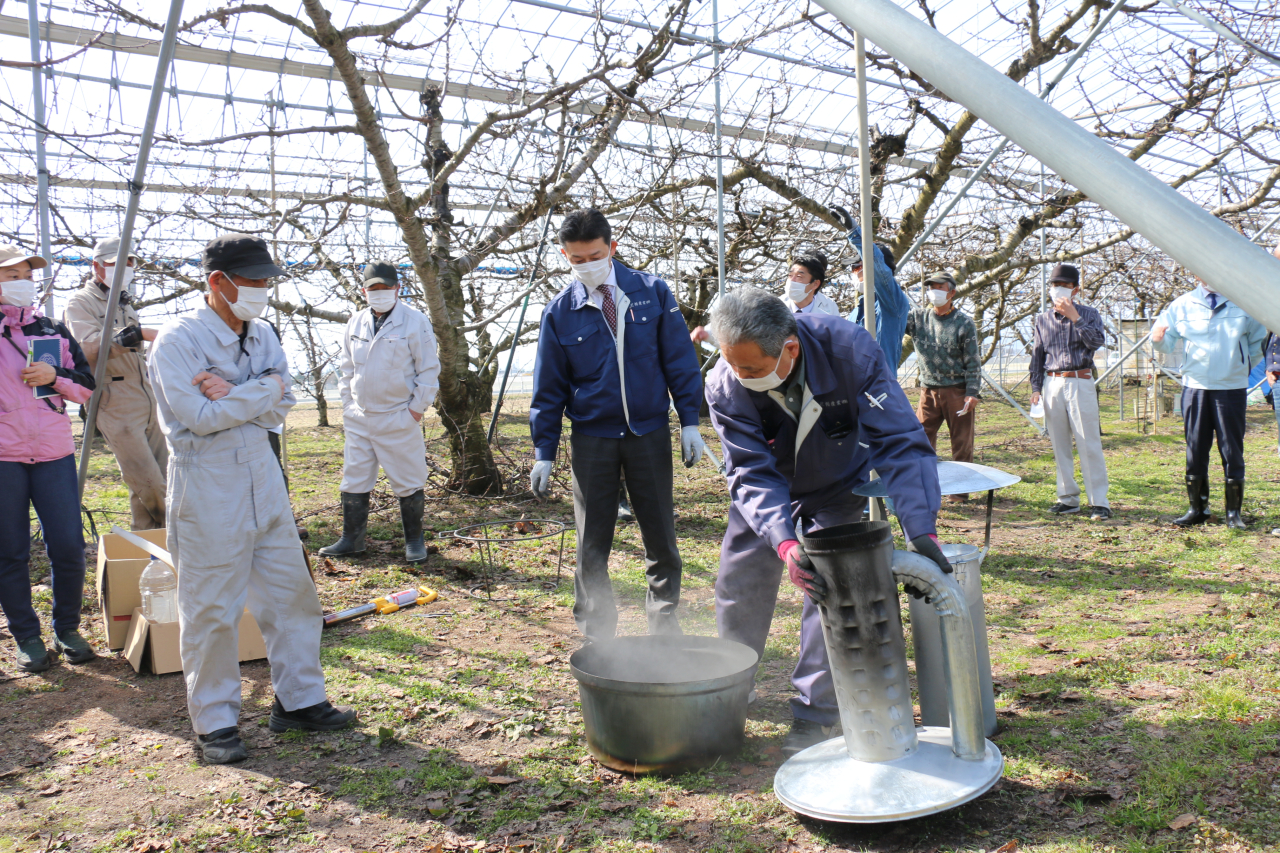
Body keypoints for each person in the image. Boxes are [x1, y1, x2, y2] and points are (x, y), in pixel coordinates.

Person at [703, 288, 947, 756]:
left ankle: (815, 713)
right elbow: (750, 470)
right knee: (740, 584)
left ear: (789, 349)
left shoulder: (850, 353)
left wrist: (921, 528)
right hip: (766, 489)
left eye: (751, 368)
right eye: (732, 363)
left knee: (830, 589)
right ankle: (730, 693)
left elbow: (899, 441)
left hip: (837, 484)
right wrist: (783, 542)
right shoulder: (724, 383)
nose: (740, 375)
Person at [149, 233, 355, 763]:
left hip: (263, 473)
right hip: (207, 481)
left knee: (292, 597)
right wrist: (259, 391)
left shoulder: (262, 332)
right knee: (212, 609)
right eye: (255, 281)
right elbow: (198, 418)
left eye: (267, 281)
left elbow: (284, 400)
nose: (263, 290)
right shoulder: (177, 340)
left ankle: (300, 701)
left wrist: (237, 391)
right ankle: (215, 722)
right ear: (218, 281)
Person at [529, 208, 706, 642]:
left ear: (612, 247)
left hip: (647, 432)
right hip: (593, 437)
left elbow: (680, 361)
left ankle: (665, 627)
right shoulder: (560, 313)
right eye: (575, 259)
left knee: (660, 536)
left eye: (593, 254)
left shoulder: (651, 293)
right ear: (565, 256)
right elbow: (548, 387)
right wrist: (544, 451)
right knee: (592, 542)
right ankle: (598, 635)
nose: (585, 264)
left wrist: (688, 421)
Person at [0, 245, 98, 672]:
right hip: (4, 457)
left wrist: (54, 376)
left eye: (26, 274)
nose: (22, 280)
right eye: (11, 275)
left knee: (69, 546)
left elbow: (87, 385)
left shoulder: (53, 330)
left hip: (55, 453)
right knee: (10, 551)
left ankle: (68, 627)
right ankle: (26, 636)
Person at [319, 262, 440, 564]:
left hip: (398, 415)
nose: (380, 293)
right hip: (360, 417)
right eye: (374, 288)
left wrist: (414, 410)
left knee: (408, 478)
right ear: (364, 291)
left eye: (386, 288)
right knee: (354, 478)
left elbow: (428, 370)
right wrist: (348, 406)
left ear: (398, 288)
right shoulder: (355, 322)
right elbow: (346, 369)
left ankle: (414, 540)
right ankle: (352, 540)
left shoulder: (415, 321)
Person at [62, 236, 168, 530]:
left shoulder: (124, 303)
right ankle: (182, 533)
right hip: (113, 398)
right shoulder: (80, 303)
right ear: (97, 267)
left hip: (146, 394)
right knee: (149, 481)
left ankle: (149, 551)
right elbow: (85, 348)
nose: (126, 268)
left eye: (130, 262)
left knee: (159, 478)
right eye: (115, 263)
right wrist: (138, 334)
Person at [1153, 275, 1266, 529]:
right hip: (1195, 387)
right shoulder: (1182, 304)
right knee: (1195, 448)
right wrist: (1158, 340)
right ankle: (1197, 508)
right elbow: (1167, 342)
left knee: (1231, 450)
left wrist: (1241, 367)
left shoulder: (1244, 303)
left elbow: (1258, 343)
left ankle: (1233, 513)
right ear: (1195, 273)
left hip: (1231, 388)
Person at [1029, 265, 1111, 520]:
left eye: (1064, 284)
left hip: (1080, 380)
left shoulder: (1089, 314)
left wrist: (1076, 318)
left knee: (1088, 442)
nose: (1058, 289)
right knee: (1059, 443)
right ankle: (1067, 498)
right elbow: (1037, 355)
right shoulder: (1043, 319)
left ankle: (1099, 501)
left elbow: (1097, 342)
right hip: (1053, 382)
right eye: (1054, 284)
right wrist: (1035, 387)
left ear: (1075, 289)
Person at [905, 271, 981, 502]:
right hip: (928, 391)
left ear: (952, 292)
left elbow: (972, 361)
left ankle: (959, 493)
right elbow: (893, 316)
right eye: (931, 288)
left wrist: (972, 393)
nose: (934, 292)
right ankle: (925, 488)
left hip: (957, 390)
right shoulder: (918, 318)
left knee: (961, 443)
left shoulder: (964, 323)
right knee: (921, 439)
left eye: (939, 288)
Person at [831, 206, 911, 372]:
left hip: (878, 389)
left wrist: (854, 231)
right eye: (853, 269)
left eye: (858, 267)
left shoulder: (892, 304)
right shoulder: (858, 310)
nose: (855, 273)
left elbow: (877, 266)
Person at [782, 250, 841, 316]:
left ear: (816, 283)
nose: (792, 280)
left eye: (799, 276)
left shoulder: (829, 306)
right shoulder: (774, 307)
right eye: (790, 275)